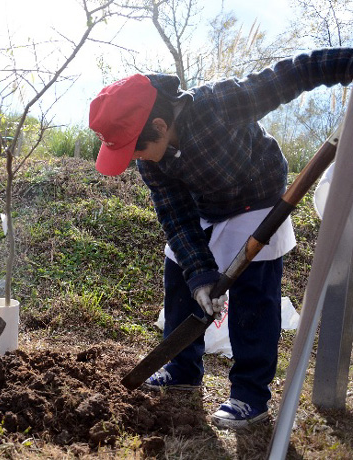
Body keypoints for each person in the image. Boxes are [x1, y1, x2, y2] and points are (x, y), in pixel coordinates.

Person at [89, 49, 353, 428]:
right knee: (180, 274)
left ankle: (250, 396)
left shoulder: (218, 104)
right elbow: (176, 217)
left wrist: (346, 66)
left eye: (137, 149)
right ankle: (183, 368)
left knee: (253, 300)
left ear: (161, 126)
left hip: (258, 201)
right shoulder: (151, 160)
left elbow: (293, 75)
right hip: (206, 208)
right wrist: (200, 276)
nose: (138, 159)